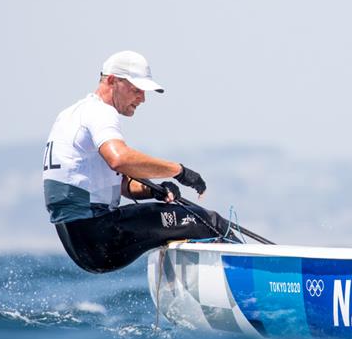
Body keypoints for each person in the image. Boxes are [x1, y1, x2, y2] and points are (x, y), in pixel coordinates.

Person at [43, 50, 233, 273]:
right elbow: (119, 158)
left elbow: (119, 183)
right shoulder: (100, 112)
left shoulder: (70, 115)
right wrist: (178, 171)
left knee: (183, 221)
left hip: (80, 242)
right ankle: (253, 283)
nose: (142, 98)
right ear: (112, 81)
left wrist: (153, 190)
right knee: (211, 222)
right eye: (136, 89)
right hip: (101, 234)